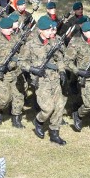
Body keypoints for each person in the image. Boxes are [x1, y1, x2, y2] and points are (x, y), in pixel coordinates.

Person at [21, 16, 67, 145]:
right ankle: (39, 121)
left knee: (59, 107)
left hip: (55, 79)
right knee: (47, 108)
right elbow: (21, 62)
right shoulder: (30, 44)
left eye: (51, 30)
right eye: (47, 30)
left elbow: (60, 59)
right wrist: (33, 69)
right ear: (40, 30)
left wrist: (62, 71)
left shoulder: (54, 42)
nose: (50, 32)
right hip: (41, 81)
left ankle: (54, 133)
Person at [0, 17, 26, 128]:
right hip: (2, 75)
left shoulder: (16, 38)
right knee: (5, 99)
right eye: (7, 28)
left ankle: (16, 119)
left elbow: (22, 53)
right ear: (0, 29)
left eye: (11, 27)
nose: (10, 30)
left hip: (16, 72)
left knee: (18, 97)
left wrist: (16, 61)